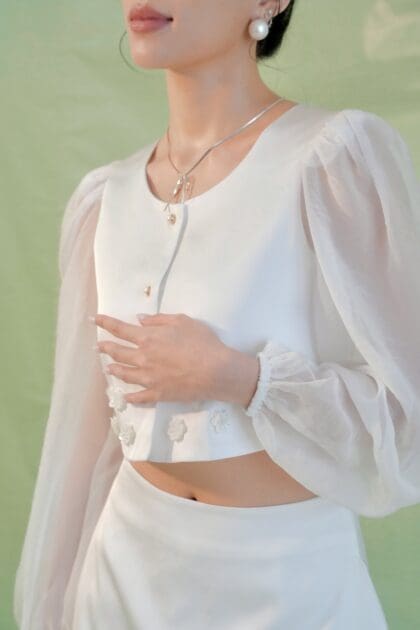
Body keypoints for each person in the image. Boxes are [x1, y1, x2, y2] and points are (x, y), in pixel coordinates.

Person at [14, 1, 420, 628]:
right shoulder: (106, 199)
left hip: (287, 584)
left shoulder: (329, 162)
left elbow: (406, 417)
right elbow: (80, 441)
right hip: (121, 576)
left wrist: (241, 377)